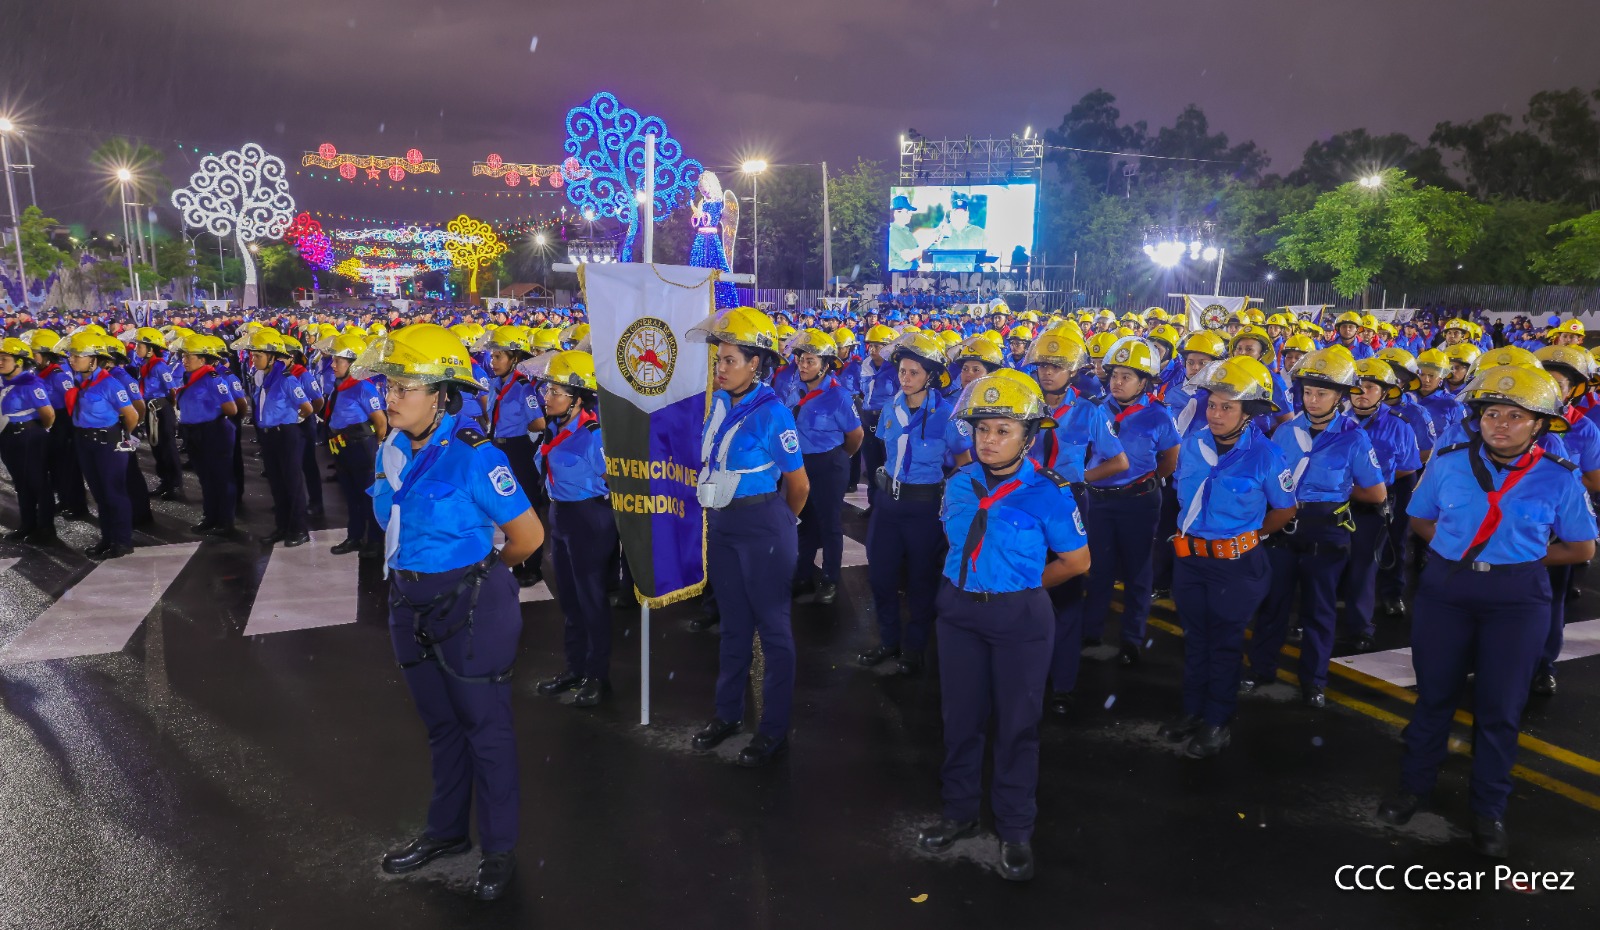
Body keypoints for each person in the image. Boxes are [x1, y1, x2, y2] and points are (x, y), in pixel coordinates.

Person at [1376, 365, 1596, 859]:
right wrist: (1459, 552)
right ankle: (1413, 788)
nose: (1500, 424)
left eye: (1516, 416)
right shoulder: (1449, 463)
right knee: (1434, 696)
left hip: (1517, 600)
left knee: (1500, 706)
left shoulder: (1559, 477)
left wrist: (1521, 559)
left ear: (1539, 425)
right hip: (1447, 591)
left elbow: (1581, 547)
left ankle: (1488, 808)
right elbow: (1420, 518)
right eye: (1492, 413)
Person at [362, 324, 544, 901]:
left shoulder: (474, 455)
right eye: (389, 386)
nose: (391, 397)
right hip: (406, 601)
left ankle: (498, 848)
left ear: (441, 395)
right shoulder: (392, 449)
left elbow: (528, 536)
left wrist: (481, 575)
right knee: (441, 726)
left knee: (485, 729)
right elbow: (388, 519)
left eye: (405, 388)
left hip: (469, 607)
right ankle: (446, 833)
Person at [915, 371, 1090, 882]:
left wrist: (1025, 585)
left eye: (1002, 431)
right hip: (959, 614)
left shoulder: (1050, 493)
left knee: (1017, 726)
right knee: (960, 719)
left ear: (1028, 437)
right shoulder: (957, 484)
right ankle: (960, 812)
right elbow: (953, 544)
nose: (988, 440)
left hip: (1019, 618)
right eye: (982, 429)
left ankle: (1015, 828)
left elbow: (1077, 561)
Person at [686, 307, 811, 766]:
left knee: (773, 631)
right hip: (723, 525)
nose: (720, 368)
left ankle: (773, 731)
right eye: (718, 359)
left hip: (762, 526)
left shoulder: (773, 414)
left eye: (730, 360)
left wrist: (779, 527)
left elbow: (799, 486)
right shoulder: (720, 402)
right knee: (733, 625)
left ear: (755, 364)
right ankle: (727, 715)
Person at [1160, 356, 1297, 757]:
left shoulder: (1267, 455)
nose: (1216, 414)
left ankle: (1218, 721)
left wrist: (1248, 537)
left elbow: (1285, 509)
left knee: (1224, 643)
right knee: (1195, 639)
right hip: (1190, 560)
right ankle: (1192, 711)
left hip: (1236, 568)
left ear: (1248, 412)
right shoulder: (1193, 444)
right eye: (1213, 405)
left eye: (1227, 407)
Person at [1243, 347, 1385, 706]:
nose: (1313, 399)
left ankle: (1314, 681)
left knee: (1319, 610)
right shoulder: (1285, 432)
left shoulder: (1353, 437)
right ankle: (1261, 668)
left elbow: (1376, 492)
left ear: (1340, 397)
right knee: (1272, 604)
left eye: (1322, 393)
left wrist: (1337, 491)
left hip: (1326, 530)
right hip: (1283, 526)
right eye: (1307, 392)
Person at [1023, 325, 1127, 714]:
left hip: (1067, 506)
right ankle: (1025, 677)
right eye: (1042, 365)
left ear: (1073, 371)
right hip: (1023, 504)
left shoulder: (1089, 411)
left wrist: (1079, 479)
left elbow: (1119, 461)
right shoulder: (1024, 404)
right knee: (1024, 588)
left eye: (1056, 366)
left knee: (1066, 595)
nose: (1047, 372)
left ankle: (1062, 685)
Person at [858, 331, 972, 675]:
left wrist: (951, 501)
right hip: (888, 505)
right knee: (881, 576)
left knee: (921, 581)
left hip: (924, 509)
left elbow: (965, 463)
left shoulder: (947, 415)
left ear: (930, 376)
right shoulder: (891, 407)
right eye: (902, 372)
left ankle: (914, 648)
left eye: (914, 373)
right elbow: (886, 452)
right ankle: (888, 640)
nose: (905, 379)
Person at [522, 350, 617, 708]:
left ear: (578, 399)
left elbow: (615, 484)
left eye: (555, 392)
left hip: (589, 519)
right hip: (561, 517)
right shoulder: (554, 429)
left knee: (591, 599)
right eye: (547, 390)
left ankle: (598, 676)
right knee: (570, 599)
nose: (546, 397)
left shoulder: (594, 436)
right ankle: (575, 668)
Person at [1081, 336, 1179, 665]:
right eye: (1114, 375)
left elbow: (1170, 459)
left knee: (1138, 570)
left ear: (1144, 382)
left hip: (1139, 502)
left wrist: (1143, 481)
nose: (1117, 382)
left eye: (1127, 376)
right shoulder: (1095, 409)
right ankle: (1092, 630)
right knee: (1099, 568)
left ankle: (1132, 638)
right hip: (1099, 500)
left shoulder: (1159, 416)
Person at [1337, 359, 1420, 651]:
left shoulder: (1399, 425)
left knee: (1364, 566)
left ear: (1384, 393)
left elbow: (1408, 467)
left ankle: (1360, 628)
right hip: (1334, 505)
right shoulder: (1335, 420)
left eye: (1370, 387)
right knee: (1327, 564)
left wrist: (1373, 489)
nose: (1361, 392)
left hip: (1371, 508)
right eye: (1357, 387)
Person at [784, 328, 864, 604]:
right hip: (800, 464)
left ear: (825, 365)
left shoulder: (838, 396)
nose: (803, 365)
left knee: (829, 524)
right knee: (804, 523)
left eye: (810, 361)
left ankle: (830, 579)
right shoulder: (796, 388)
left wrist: (840, 459)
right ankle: (803, 576)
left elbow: (856, 436)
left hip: (829, 464)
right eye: (801, 359)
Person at [64, 331, 140, 560]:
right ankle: (107, 538)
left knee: (114, 493)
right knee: (99, 495)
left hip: (108, 443)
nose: (72, 359)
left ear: (93, 359)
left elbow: (132, 415)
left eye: (78, 355)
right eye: (71, 355)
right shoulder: (82, 381)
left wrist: (124, 436)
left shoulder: (110, 384)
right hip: (85, 442)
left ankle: (122, 541)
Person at [237, 328, 314, 547]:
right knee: (277, 483)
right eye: (253, 355)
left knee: (292, 483)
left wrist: (291, 420)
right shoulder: (262, 377)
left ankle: (299, 529)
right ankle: (282, 526)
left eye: (258, 355)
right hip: (268, 435)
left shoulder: (287, 379)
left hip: (285, 434)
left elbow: (307, 408)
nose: (253, 359)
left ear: (272, 357)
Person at [484, 325, 548, 586]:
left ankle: (532, 566)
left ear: (515, 358)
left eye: (499, 356)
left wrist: (523, 431)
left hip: (518, 449)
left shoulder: (523, 388)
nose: (493, 361)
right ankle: (516, 559)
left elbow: (539, 423)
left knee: (526, 505)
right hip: (497, 448)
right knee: (505, 504)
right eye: (492, 356)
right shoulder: (495, 385)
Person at [323, 331, 386, 556]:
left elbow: (381, 423)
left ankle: (375, 541)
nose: (332, 365)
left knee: (368, 496)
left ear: (353, 363)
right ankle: (355, 537)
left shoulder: (364, 388)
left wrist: (376, 449)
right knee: (351, 496)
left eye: (338, 361)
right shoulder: (341, 386)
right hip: (342, 447)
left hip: (362, 449)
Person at [173, 334, 240, 536]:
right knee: (205, 478)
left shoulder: (213, 379)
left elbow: (231, 408)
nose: (184, 360)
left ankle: (225, 522)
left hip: (213, 432)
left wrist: (211, 416)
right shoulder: (190, 377)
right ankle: (210, 517)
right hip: (193, 432)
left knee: (220, 478)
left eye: (189, 356)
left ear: (202, 359)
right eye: (183, 356)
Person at [0, 336, 58, 543]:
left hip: (28, 437)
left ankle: (46, 529)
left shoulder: (31, 383)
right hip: (8, 438)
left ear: (19, 361)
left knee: (38, 483)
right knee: (21, 483)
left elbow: (48, 414)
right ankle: (27, 525)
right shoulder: (4, 381)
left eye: (5, 358)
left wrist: (38, 431)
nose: (0, 362)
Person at [132, 327, 182, 499]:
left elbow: (172, 390)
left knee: (168, 447)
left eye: (139, 346)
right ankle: (164, 480)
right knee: (157, 447)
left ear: (150, 349)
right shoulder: (145, 365)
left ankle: (175, 484)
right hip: (150, 409)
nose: (136, 349)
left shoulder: (160, 366)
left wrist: (169, 409)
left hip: (161, 409)